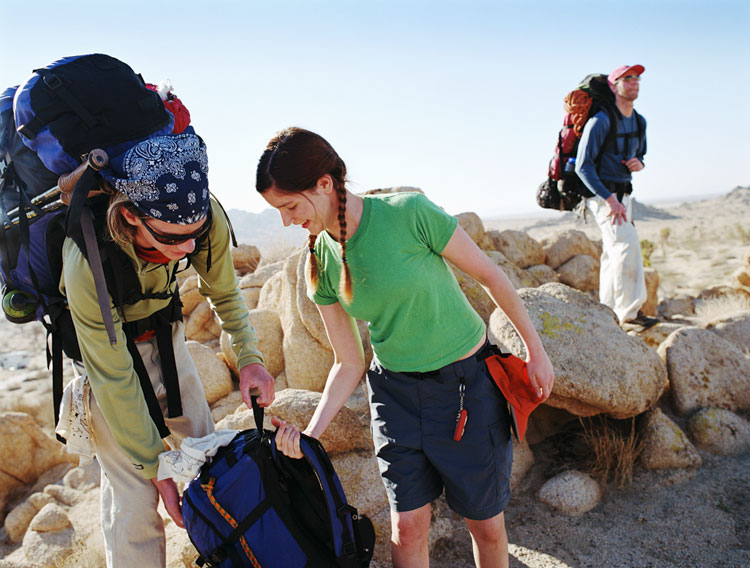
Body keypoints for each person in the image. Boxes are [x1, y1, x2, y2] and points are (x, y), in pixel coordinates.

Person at [255, 127, 555, 568]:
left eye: (290, 206)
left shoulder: (409, 212)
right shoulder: (318, 261)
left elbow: (491, 277)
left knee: (486, 526)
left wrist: (536, 351)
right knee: (407, 527)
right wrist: (310, 435)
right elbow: (347, 361)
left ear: (325, 184)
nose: (286, 220)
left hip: (465, 388)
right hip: (395, 397)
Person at [58, 132, 276, 567]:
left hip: (169, 343)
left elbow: (226, 294)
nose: (189, 248)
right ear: (132, 216)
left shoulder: (198, 213)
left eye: (195, 235)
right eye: (173, 239)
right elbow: (115, 375)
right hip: (105, 369)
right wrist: (154, 467)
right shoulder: (86, 260)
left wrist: (250, 359)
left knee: (212, 465)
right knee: (135, 502)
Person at [575, 64, 657, 328]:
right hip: (603, 197)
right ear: (613, 86)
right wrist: (609, 200)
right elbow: (582, 166)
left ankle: (608, 312)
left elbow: (641, 155)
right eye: (627, 78)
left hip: (624, 195)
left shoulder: (639, 121)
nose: (634, 82)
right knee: (626, 246)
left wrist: (639, 164)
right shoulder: (600, 121)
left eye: (637, 78)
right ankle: (629, 314)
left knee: (613, 252)